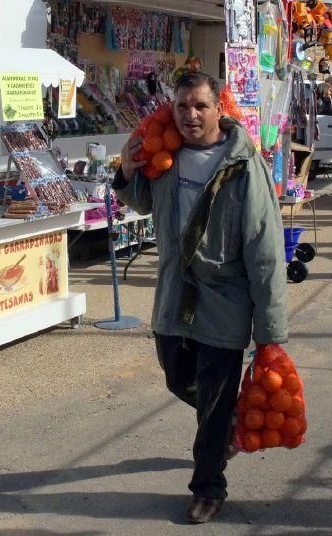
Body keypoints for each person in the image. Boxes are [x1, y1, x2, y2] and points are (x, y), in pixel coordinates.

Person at [114, 72, 288, 524]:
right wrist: (127, 172)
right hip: (175, 292)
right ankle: (229, 423)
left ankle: (208, 487)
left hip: (225, 298)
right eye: (182, 107)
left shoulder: (243, 166)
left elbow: (265, 248)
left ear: (218, 109)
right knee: (177, 376)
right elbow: (144, 204)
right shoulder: (166, 153)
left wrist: (270, 330)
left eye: (200, 106)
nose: (190, 115)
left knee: (212, 400)